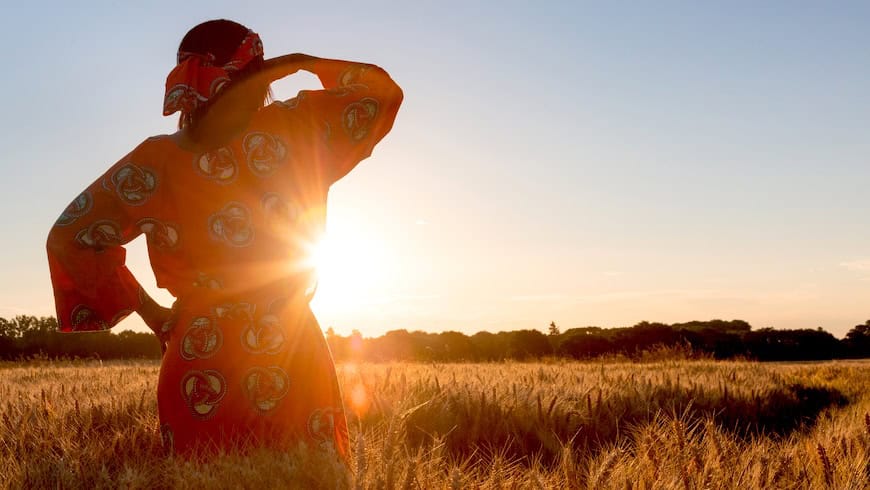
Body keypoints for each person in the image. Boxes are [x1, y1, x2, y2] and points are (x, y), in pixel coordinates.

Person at [45, 19, 403, 458]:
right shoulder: (296, 129)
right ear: (257, 76)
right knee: (308, 479)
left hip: (198, 363)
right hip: (290, 352)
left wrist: (155, 315)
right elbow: (380, 94)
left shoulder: (155, 162)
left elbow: (70, 237)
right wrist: (302, 65)